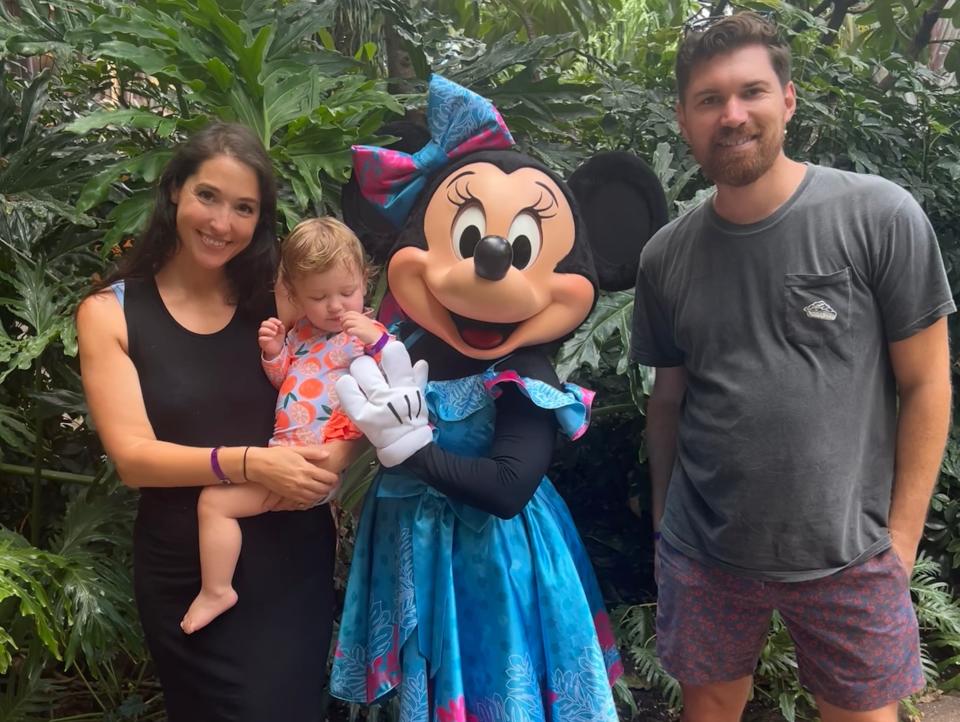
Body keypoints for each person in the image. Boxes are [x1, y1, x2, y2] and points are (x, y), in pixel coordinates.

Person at [630, 12, 954, 722]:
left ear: (790, 100)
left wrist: (900, 542)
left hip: (852, 554)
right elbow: (668, 403)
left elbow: (927, 382)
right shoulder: (666, 257)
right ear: (684, 117)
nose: (733, 114)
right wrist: (663, 529)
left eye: (752, 92)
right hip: (705, 552)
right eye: (710, 99)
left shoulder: (880, 217)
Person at [77, 123, 355, 722]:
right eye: (209, 196)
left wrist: (335, 460)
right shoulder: (112, 313)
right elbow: (132, 457)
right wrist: (251, 462)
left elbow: (345, 377)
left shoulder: (277, 301)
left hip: (291, 557)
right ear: (175, 190)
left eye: (244, 207)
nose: (222, 222)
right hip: (189, 568)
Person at [180, 216, 387, 634]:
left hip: (313, 461)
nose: (336, 306)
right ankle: (222, 588)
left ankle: (217, 589)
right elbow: (287, 384)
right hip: (284, 458)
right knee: (224, 506)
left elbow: (394, 379)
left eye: (347, 292)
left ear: (364, 280)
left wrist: (376, 338)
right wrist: (275, 351)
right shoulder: (304, 333)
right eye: (318, 296)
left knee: (214, 504)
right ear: (293, 294)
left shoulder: (366, 334)